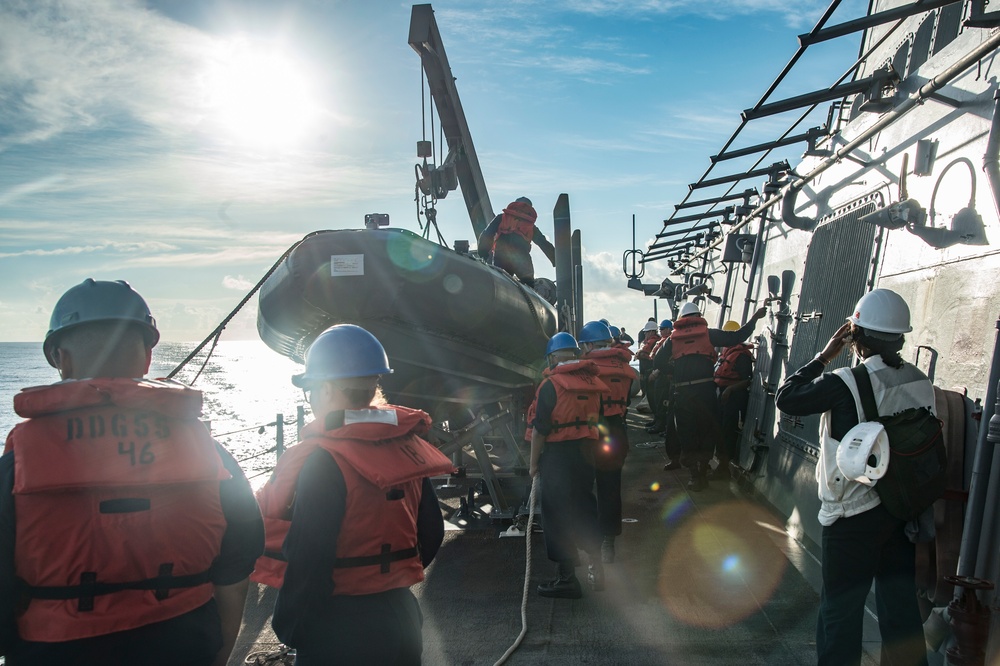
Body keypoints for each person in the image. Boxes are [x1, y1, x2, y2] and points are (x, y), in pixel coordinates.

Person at [0, 279, 264, 666]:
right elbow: (237, 570)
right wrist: (217, 653)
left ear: (59, 357)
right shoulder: (212, 454)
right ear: (146, 357)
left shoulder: (16, 466)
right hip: (183, 643)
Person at [254, 325, 454, 665]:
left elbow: (309, 557)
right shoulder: (404, 447)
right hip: (400, 618)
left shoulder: (324, 461)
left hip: (338, 626)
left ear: (328, 388)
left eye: (311, 391)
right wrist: (389, 578)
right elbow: (432, 532)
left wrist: (292, 628)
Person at [775, 289, 932, 666]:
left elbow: (787, 397)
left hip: (851, 516)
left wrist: (824, 356)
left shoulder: (844, 382)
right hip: (900, 511)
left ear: (855, 337)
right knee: (900, 612)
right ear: (899, 337)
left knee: (840, 614)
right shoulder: (919, 380)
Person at [651, 301, 767, 491]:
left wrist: (674, 370)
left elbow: (658, 361)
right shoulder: (708, 333)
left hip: (682, 392)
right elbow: (737, 336)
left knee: (687, 433)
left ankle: (694, 476)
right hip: (705, 391)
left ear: (681, 319)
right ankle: (704, 471)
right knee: (706, 431)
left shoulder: (673, 338)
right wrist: (754, 318)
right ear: (698, 316)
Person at [530, 332, 609, 598]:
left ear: (552, 357)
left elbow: (540, 430)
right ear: (575, 355)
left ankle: (566, 579)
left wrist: (532, 465)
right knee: (585, 506)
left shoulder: (551, 386)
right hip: (585, 453)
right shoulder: (593, 382)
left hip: (558, 455)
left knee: (555, 515)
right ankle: (596, 569)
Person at [578, 321, 638, 564]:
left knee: (582, 485)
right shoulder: (624, 368)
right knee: (610, 487)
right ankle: (608, 543)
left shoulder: (585, 369)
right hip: (617, 431)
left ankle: (587, 537)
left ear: (590, 344)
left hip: (591, 432)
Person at [712, 320, 756, 479]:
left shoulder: (741, 356)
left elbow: (747, 380)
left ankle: (724, 467)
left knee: (728, 432)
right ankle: (721, 465)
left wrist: (730, 390)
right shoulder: (727, 352)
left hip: (734, 397)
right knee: (720, 430)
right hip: (723, 395)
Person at [477, 197, 556, 285]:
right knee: (528, 285)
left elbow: (487, 234)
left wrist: (482, 253)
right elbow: (543, 243)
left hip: (501, 257)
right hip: (522, 259)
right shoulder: (530, 226)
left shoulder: (502, 218)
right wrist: (555, 259)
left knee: (499, 281)